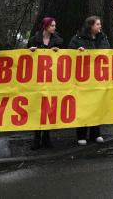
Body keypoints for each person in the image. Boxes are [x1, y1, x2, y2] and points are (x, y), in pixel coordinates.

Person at [68, 15, 111, 145]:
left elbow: (107, 52)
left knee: (96, 106)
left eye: (100, 24)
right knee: (83, 106)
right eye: (97, 24)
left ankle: (96, 133)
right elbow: (69, 54)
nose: (100, 26)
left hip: (98, 79)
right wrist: (77, 51)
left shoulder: (103, 38)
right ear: (90, 26)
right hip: (83, 80)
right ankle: (81, 134)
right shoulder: (78, 38)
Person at [28, 17, 63, 149]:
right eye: (52, 25)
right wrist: (30, 51)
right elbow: (25, 59)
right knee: (37, 108)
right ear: (46, 26)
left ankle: (47, 138)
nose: (54, 28)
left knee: (49, 108)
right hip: (37, 79)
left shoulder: (58, 41)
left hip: (52, 80)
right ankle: (37, 138)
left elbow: (64, 59)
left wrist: (57, 52)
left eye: (55, 25)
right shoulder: (34, 40)